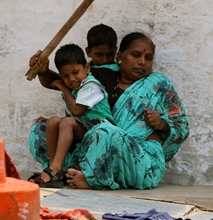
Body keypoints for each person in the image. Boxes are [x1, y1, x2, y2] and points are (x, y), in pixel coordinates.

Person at [28, 32, 190, 189]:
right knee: (41, 130)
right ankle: (59, 171)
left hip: (136, 153)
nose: (142, 62)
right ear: (120, 56)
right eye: (135, 55)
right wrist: (43, 70)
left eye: (148, 58)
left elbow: (181, 125)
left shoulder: (158, 84)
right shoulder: (102, 74)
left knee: (106, 132)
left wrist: (162, 124)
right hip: (91, 143)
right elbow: (64, 81)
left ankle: (93, 177)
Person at [28, 44, 116, 187]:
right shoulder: (75, 86)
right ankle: (54, 169)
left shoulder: (91, 85)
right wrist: (42, 71)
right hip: (83, 124)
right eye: (65, 76)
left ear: (87, 68)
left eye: (76, 72)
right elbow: (73, 114)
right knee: (52, 121)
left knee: (67, 122)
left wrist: (64, 88)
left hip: (101, 127)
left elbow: (77, 111)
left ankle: (55, 168)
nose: (72, 79)